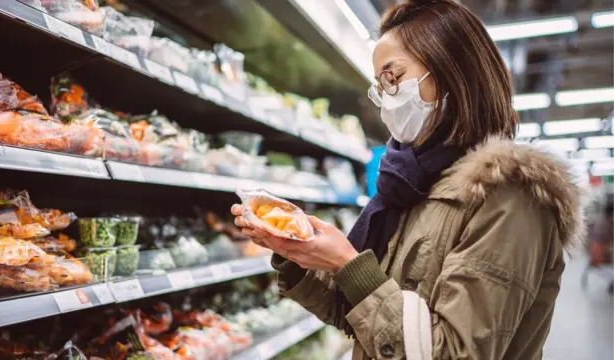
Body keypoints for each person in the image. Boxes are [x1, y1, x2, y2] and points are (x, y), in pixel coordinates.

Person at [232, 1, 586, 359]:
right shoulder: (418, 184)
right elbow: (361, 320)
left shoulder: (510, 199)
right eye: (380, 87)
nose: (386, 100)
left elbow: (453, 352)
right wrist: (299, 251)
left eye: (394, 77)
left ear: (452, 71)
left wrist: (347, 265)